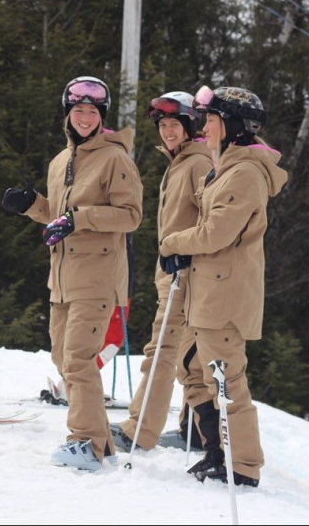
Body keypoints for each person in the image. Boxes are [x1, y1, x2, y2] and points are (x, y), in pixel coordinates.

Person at [1, 76, 143, 470]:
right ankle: (99, 443)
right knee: (63, 359)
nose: (84, 118)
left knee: (79, 359)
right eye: (78, 110)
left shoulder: (115, 159)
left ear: (102, 117)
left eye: (92, 112)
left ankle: (87, 443)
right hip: (61, 279)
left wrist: (79, 219)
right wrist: (32, 203)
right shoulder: (60, 161)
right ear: (68, 114)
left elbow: (131, 216)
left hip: (96, 277)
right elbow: (55, 216)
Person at [159, 85, 287, 487]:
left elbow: (216, 232)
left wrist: (174, 243)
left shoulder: (245, 173)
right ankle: (215, 449)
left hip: (224, 294)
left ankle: (243, 466)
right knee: (191, 368)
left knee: (226, 379)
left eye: (211, 120)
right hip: (207, 289)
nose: (204, 127)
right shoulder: (227, 165)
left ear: (232, 125)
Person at [109, 91, 212, 453]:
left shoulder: (198, 164)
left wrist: (183, 253)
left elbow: (210, 221)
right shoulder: (182, 162)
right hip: (175, 273)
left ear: (190, 126)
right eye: (164, 125)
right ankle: (197, 430)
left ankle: (139, 430)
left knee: (162, 351)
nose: (168, 132)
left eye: (175, 125)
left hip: (184, 274)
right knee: (189, 355)